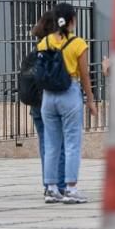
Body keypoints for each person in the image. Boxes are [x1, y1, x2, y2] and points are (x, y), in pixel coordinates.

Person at [37, 2, 97, 204]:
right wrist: (90, 99)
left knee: (51, 143)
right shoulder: (78, 44)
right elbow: (84, 74)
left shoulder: (44, 42)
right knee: (72, 142)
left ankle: (51, 187)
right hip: (69, 91)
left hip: (48, 96)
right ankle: (71, 188)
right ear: (71, 20)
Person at [29, 11, 65, 197]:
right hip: (52, 99)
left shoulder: (36, 49)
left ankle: (48, 184)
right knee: (59, 144)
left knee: (45, 143)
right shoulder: (57, 48)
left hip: (36, 101)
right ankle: (59, 184)